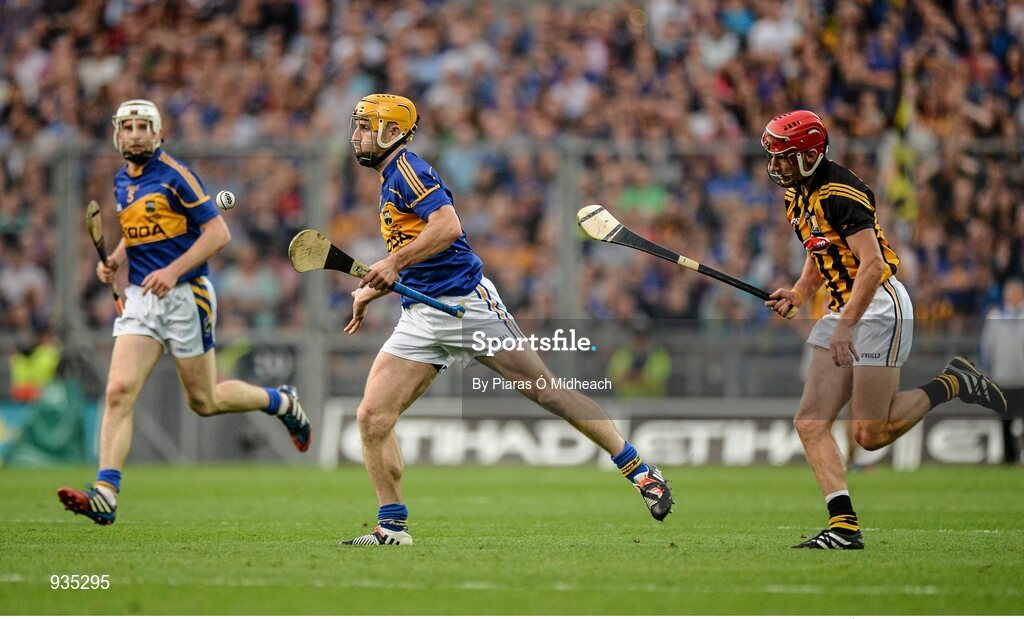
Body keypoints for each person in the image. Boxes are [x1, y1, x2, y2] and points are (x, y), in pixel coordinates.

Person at [340, 94, 672, 546]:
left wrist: (393, 263)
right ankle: (392, 527)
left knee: (548, 392)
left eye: (364, 126)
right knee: (372, 417)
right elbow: (416, 252)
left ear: (390, 132)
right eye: (356, 125)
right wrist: (372, 289)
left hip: (468, 307)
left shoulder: (409, 171)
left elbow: (448, 226)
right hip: (421, 315)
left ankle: (640, 470)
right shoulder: (388, 178)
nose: (355, 135)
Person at [57, 99, 311, 526]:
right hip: (141, 298)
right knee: (118, 390)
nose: (135, 133)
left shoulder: (177, 177)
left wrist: (172, 272)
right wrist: (116, 259)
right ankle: (105, 492)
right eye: (128, 126)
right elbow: (136, 234)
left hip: (186, 296)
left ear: (159, 134)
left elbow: (218, 233)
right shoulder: (123, 182)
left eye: (143, 126)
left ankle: (281, 401)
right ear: (117, 135)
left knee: (204, 401)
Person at [762, 110, 1007, 550]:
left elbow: (872, 265)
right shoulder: (797, 194)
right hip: (844, 309)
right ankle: (844, 528)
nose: (775, 165)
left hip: (876, 308)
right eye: (774, 157)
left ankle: (953, 382)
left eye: (784, 157)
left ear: (810, 155)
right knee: (810, 422)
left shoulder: (842, 192)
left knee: (869, 435)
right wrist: (800, 293)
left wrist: (846, 326)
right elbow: (821, 250)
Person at [980, 277, 1024, 464]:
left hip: (1023, 378)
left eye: (1016, 293)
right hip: (1003, 377)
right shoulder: (995, 316)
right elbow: (986, 346)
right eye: (1010, 293)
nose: (1013, 297)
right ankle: (1009, 457)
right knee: (1005, 421)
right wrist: (986, 369)